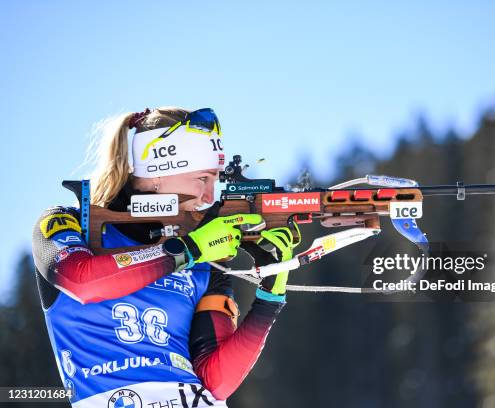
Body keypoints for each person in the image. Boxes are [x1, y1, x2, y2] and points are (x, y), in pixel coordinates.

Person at [31, 107, 296, 408]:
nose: (210, 196)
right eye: (202, 178)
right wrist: (189, 251)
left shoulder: (205, 257)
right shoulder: (68, 223)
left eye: (215, 180)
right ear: (159, 172)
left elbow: (216, 382)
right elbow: (82, 281)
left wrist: (270, 296)